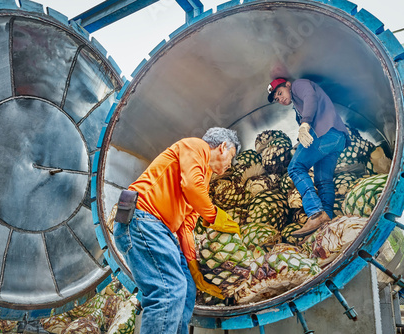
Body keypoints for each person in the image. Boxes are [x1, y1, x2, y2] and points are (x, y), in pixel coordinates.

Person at [113, 127, 242, 334]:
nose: (230, 165)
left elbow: (186, 228)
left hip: (160, 229)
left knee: (187, 289)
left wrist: (194, 268)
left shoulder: (204, 179)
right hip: (142, 219)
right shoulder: (196, 146)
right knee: (168, 291)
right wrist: (214, 216)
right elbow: (191, 186)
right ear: (223, 147)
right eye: (232, 157)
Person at [267, 78, 349, 237]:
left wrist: (305, 124)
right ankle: (327, 220)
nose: (280, 99)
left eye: (280, 93)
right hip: (337, 139)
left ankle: (315, 213)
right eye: (277, 99)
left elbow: (311, 97)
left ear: (288, 85)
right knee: (323, 180)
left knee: (295, 168)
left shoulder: (299, 85)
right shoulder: (296, 107)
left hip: (325, 133)